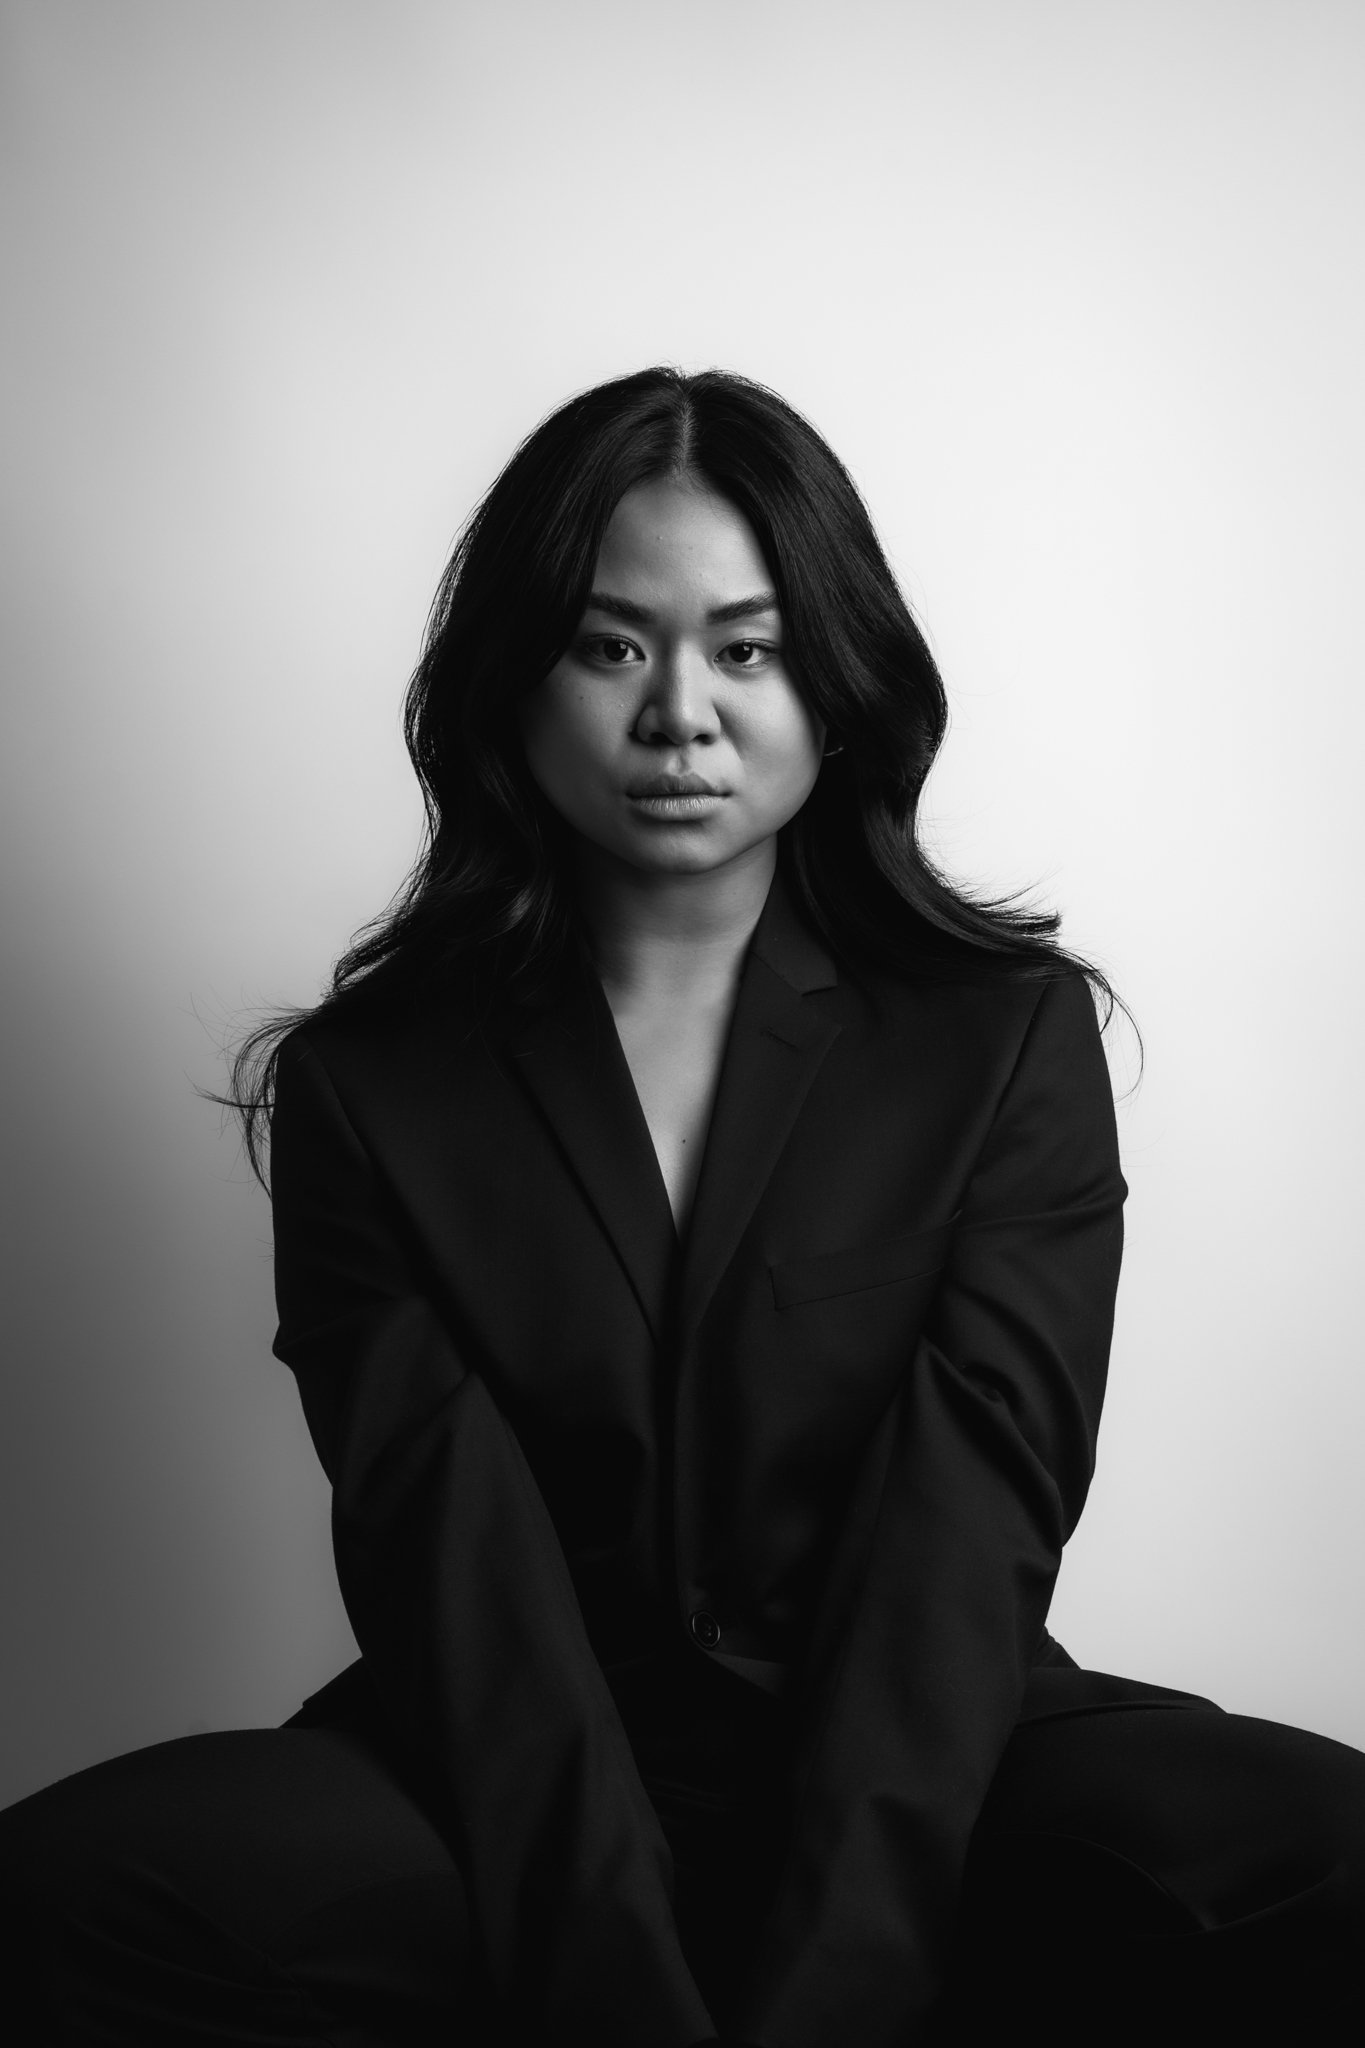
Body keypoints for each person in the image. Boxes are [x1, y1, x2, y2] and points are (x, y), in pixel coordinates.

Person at [1, 366, 1361, 2047]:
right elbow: (451, 1557)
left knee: (1324, 1858)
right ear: (512, 681)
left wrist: (827, 1982)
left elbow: (971, 1515)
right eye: (611, 645)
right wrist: (617, 1988)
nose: (681, 716)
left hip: (937, 1744)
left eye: (747, 645)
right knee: (64, 1897)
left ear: (838, 678)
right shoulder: (372, 1082)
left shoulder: (998, 1037)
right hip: (505, 1760)